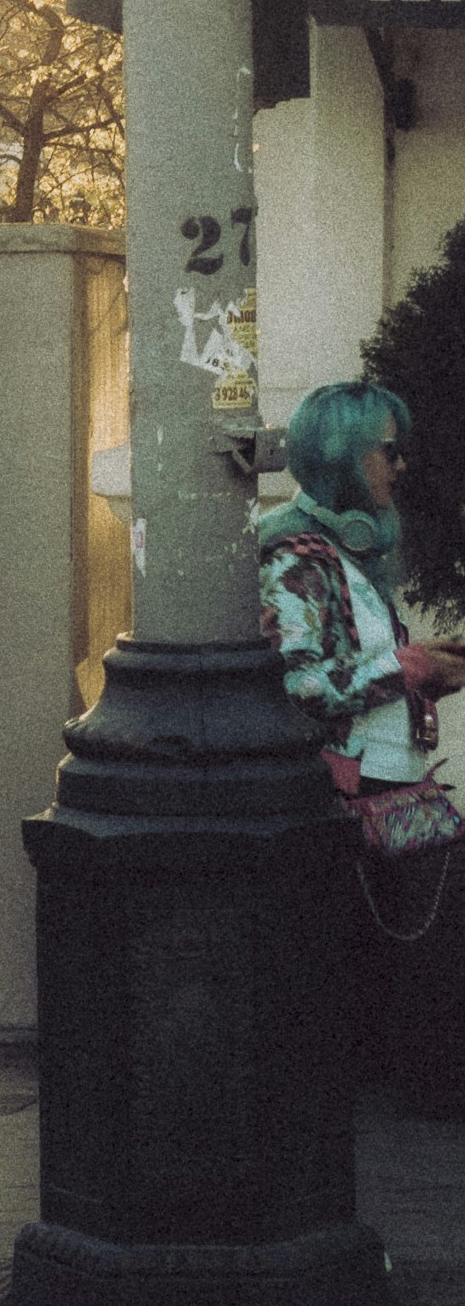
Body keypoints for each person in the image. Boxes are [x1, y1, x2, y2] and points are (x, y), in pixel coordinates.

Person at [260, 378, 465, 1112]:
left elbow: (350, 674)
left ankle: (394, 1089)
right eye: (389, 450)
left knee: (416, 944)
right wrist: (405, 668)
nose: (399, 466)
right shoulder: (296, 554)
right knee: (422, 939)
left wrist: (419, 673)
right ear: (344, 454)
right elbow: (299, 684)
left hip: (389, 781)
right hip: (357, 790)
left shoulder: (343, 555)